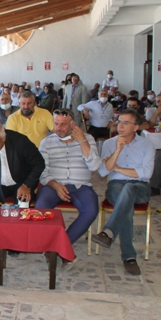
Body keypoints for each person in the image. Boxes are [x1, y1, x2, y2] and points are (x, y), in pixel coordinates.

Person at [91, 110, 155, 276]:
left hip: (140, 187)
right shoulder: (109, 144)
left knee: (129, 190)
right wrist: (118, 150)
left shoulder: (147, 145)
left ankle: (108, 232)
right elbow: (103, 171)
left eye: (126, 123)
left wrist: (118, 169)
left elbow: (146, 173)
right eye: (119, 122)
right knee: (126, 202)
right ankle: (129, 257)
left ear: (136, 127)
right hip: (116, 186)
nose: (120, 126)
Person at [36, 109, 101, 262]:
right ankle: (56, 248)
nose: (58, 128)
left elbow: (94, 166)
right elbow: (42, 171)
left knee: (91, 210)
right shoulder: (47, 142)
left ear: (73, 124)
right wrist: (55, 186)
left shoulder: (88, 139)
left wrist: (82, 141)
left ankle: (59, 246)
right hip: (53, 185)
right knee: (41, 209)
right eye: (56, 124)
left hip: (80, 186)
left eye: (63, 124)